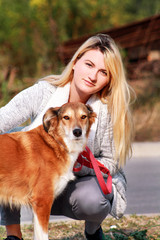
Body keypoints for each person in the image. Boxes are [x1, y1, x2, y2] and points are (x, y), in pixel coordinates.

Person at [0, 33, 134, 240]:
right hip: (35, 178)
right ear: (76, 62)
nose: (93, 76)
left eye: (103, 72)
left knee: (94, 201)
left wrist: (80, 166)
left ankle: (92, 231)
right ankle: (13, 235)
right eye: (89, 64)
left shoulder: (108, 111)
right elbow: (3, 120)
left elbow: (112, 161)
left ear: (109, 79)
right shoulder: (44, 92)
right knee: (9, 143)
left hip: (80, 183)